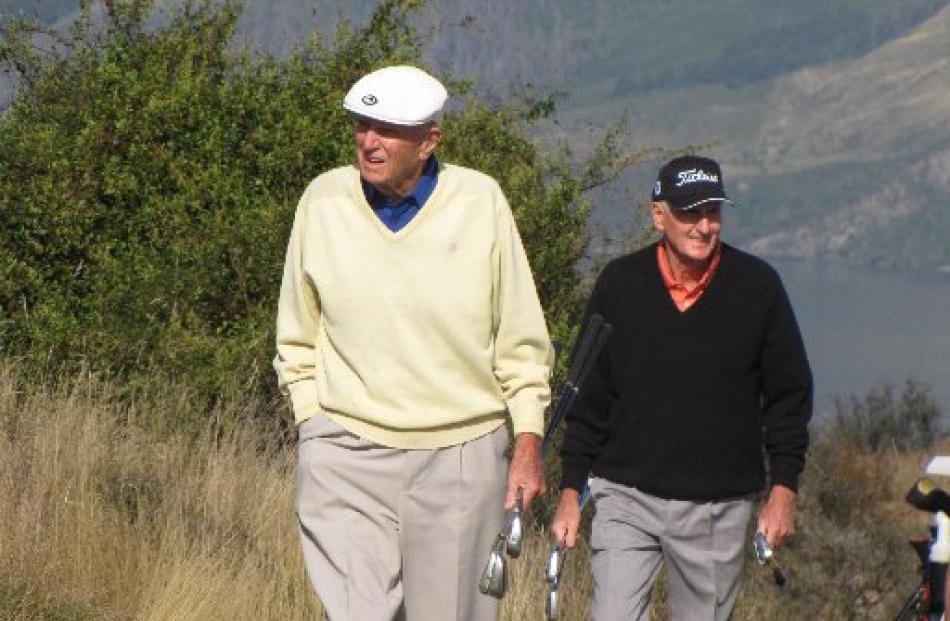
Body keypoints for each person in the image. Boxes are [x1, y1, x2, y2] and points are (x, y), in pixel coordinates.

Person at [273, 64, 553, 621]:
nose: (369, 141)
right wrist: (313, 424)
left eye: (388, 129)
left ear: (429, 141)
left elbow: (522, 343)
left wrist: (526, 443)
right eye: (362, 125)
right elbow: (296, 332)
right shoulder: (323, 201)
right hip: (345, 450)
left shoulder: (481, 203)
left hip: (459, 454)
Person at [551, 155, 813, 620]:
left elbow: (788, 397)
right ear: (659, 214)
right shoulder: (619, 284)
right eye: (690, 212)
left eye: (713, 213)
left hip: (717, 506)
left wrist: (783, 489)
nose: (704, 226)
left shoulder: (758, 287)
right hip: (624, 496)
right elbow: (587, 396)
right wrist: (571, 491)